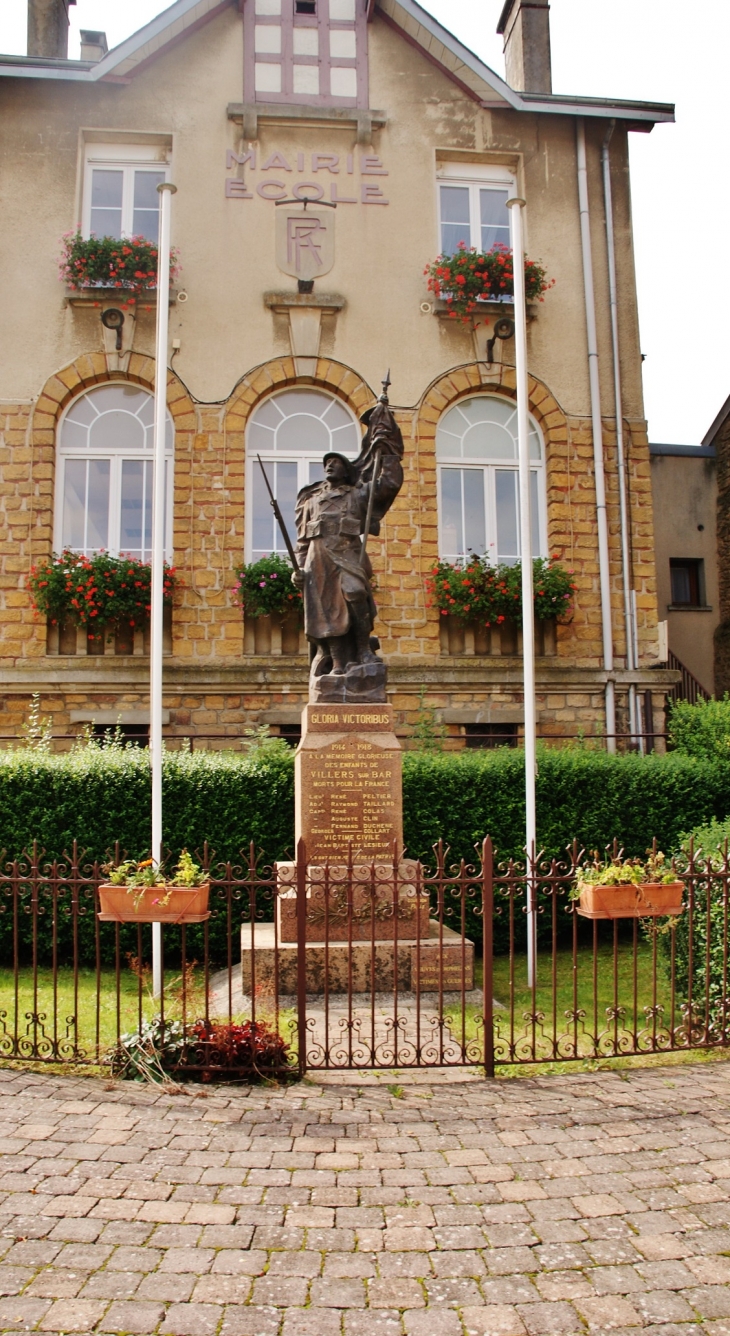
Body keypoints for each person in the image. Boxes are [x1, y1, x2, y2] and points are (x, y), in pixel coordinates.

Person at [292, 391, 404, 681]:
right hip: (318, 561)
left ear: (346, 470)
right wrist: (299, 569)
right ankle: (339, 663)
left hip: (347, 556)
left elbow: (388, 484)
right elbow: (303, 540)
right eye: (327, 462)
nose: (330, 465)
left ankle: (363, 650)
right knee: (325, 612)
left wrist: (386, 448)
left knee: (355, 593)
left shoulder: (357, 494)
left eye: (337, 462)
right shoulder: (310, 499)